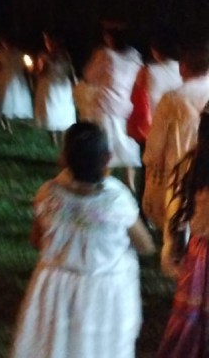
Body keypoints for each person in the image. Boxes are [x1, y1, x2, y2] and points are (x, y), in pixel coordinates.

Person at [10, 122, 155, 358]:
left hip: (54, 288)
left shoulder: (48, 193)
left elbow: (36, 240)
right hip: (104, 291)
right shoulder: (116, 199)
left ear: (64, 158)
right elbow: (145, 245)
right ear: (107, 158)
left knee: (54, 345)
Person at [142, 41, 209, 239]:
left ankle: (178, 262)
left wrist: (151, 165)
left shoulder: (172, 99)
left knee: (177, 222)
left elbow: (156, 143)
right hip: (205, 172)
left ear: (182, 67)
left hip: (180, 170)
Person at [156, 112, 209, 356]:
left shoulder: (192, 163)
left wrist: (173, 245)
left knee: (193, 318)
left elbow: (175, 208)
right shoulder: (193, 163)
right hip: (200, 252)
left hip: (199, 256)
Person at [80, 24, 143, 191]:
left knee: (107, 148)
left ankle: (102, 185)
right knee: (127, 149)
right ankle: (130, 185)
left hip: (107, 108)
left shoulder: (104, 55)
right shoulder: (135, 55)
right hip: (127, 108)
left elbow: (89, 75)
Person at [127, 33, 181, 151]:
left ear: (155, 50)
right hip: (179, 128)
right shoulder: (183, 69)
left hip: (153, 128)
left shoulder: (147, 71)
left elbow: (134, 97)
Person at [33, 32, 77, 148]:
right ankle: (54, 140)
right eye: (46, 41)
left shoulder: (63, 55)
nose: (48, 43)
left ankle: (62, 140)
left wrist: (74, 84)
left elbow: (70, 71)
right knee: (50, 111)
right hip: (50, 85)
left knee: (61, 111)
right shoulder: (45, 55)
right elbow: (39, 73)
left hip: (60, 86)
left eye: (49, 41)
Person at [0, 36, 34, 133]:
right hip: (16, 79)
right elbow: (27, 69)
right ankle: (7, 124)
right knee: (10, 100)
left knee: (6, 100)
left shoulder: (2, 54)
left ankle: (8, 124)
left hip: (9, 79)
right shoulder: (20, 54)